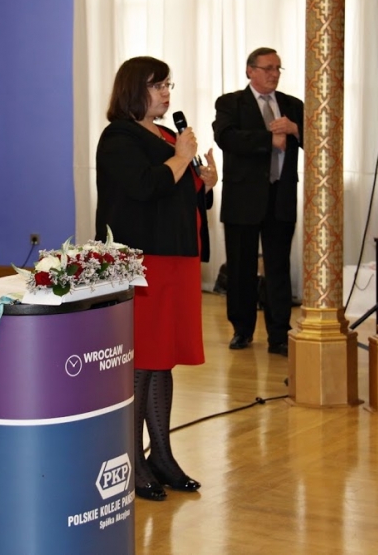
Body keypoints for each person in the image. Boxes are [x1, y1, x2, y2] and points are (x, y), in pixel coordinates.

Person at [95, 56, 216, 501]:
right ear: (134, 89)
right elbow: (144, 188)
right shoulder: (119, 137)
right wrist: (181, 159)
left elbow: (178, 193)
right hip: (142, 261)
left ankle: (162, 455)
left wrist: (205, 182)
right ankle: (132, 461)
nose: (166, 93)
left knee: (162, 359)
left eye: (169, 85)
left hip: (176, 257)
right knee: (143, 359)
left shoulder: (166, 135)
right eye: (158, 85)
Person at [213, 47, 304, 356]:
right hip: (243, 199)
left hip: (281, 197)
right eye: (268, 68)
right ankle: (242, 329)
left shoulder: (292, 105)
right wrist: (269, 139)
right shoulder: (230, 103)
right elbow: (226, 137)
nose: (274, 74)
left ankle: (279, 334)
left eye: (278, 68)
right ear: (250, 70)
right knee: (241, 268)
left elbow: (319, 138)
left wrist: (294, 129)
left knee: (278, 268)